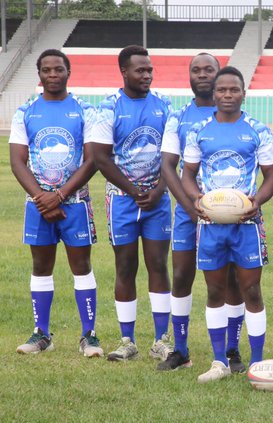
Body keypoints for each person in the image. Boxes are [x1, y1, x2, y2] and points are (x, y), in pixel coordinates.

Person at [182, 66, 273, 383]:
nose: (227, 95)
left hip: (246, 225)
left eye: (233, 90)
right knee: (215, 291)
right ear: (214, 94)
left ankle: (259, 363)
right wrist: (197, 199)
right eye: (221, 90)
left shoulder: (258, 130)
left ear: (243, 93)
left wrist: (257, 202)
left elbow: (271, 177)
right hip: (211, 224)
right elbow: (187, 175)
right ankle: (219, 361)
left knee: (251, 289)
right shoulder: (201, 131)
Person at [10, 49, 102, 357]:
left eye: (58, 69)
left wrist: (59, 196)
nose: (52, 74)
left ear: (68, 72)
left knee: (82, 266)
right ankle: (41, 334)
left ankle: (89, 335)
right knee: (41, 266)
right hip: (38, 205)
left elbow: (92, 160)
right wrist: (42, 198)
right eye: (47, 70)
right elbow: (17, 160)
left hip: (75, 202)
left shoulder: (84, 110)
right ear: (39, 74)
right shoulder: (25, 112)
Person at [160, 53, 246, 373]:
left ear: (219, 73)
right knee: (182, 275)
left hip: (230, 213)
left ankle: (232, 350)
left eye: (209, 69)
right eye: (196, 70)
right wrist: (191, 207)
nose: (202, 74)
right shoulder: (178, 117)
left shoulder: (233, 112)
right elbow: (169, 166)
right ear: (189, 75)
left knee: (231, 280)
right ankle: (180, 350)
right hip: (188, 210)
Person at [90, 45, 174, 362]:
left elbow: (171, 155)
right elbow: (100, 156)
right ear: (124, 71)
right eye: (140, 70)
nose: (147, 75)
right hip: (123, 201)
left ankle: (161, 340)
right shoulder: (108, 107)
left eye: (150, 70)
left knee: (158, 265)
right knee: (125, 267)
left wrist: (157, 189)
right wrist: (134, 190)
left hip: (158, 200)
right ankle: (127, 340)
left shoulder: (164, 105)